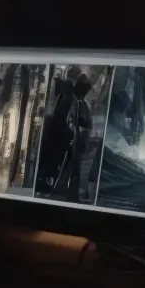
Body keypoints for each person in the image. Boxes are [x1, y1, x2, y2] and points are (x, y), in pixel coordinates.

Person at [37, 71, 95, 202]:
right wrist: (69, 135)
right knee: (54, 168)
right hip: (61, 142)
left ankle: (65, 192)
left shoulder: (78, 102)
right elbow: (60, 120)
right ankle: (47, 190)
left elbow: (82, 120)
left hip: (72, 143)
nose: (85, 92)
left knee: (70, 171)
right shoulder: (68, 99)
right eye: (84, 88)